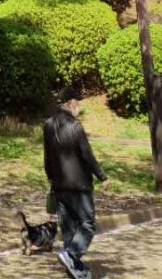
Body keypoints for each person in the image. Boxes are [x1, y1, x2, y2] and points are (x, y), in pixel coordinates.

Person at [43, 84, 106, 279]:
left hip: (60, 185)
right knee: (87, 224)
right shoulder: (76, 127)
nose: (79, 107)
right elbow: (87, 155)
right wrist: (102, 176)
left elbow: (47, 157)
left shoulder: (48, 125)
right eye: (77, 103)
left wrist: (51, 178)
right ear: (70, 104)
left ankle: (75, 269)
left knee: (69, 228)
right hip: (80, 186)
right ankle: (71, 255)